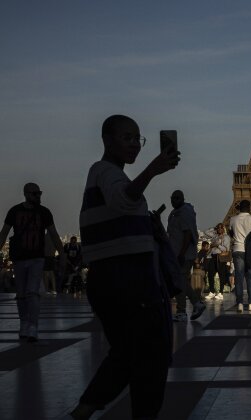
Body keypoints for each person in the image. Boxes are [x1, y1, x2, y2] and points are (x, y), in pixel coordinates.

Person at [70, 114, 180, 419]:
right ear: (107, 140)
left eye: (137, 139)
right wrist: (153, 170)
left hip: (115, 278)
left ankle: (87, 406)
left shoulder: (109, 174)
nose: (134, 144)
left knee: (130, 352)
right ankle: (97, 406)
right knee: (151, 353)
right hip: (125, 278)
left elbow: (121, 207)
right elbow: (123, 198)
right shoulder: (105, 172)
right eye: (127, 138)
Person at [0, 183, 64, 341]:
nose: (39, 196)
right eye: (36, 193)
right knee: (22, 294)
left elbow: (54, 234)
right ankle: (25, 325)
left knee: (32, 292)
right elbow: (4, 233)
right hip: (20, 258)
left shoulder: (43, 212)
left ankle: (32, 326)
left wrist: (62, 253)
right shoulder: (15, 211)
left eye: (39, 193)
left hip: (36, 258)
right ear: (27, 194)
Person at [168, 190, 206, 322]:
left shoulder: (184, 212)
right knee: (182, 281)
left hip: (183, 254)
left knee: (179, 281)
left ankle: (182, 311)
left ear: (183, 198)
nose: (174, 200)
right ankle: (197, 303)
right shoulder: (175, 213)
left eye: (177, 198)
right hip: (179, 253)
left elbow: (187, 234)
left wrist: (181, 253)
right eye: (172, 198)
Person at [229, 200, 251, 312]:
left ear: (238, 208)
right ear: (249, 208)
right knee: (250, 277)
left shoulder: (233, 219)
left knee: (239, 278)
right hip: (249, 251)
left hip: (238, 250)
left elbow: (231, 233)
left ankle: (240, 304)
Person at [207, 223, 231, 300]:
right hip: (213, 256)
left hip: (220, 256)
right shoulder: (215, 236)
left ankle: (221, 292)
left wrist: (217, 245)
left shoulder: (226, 237)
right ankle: (212, 291)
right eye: (218, 228)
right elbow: (206, 232)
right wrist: (214, 228)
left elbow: (226, 249)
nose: (219, 229)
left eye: (221, 228)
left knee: (221, 275)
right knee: (210, 274)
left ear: (223, 229)